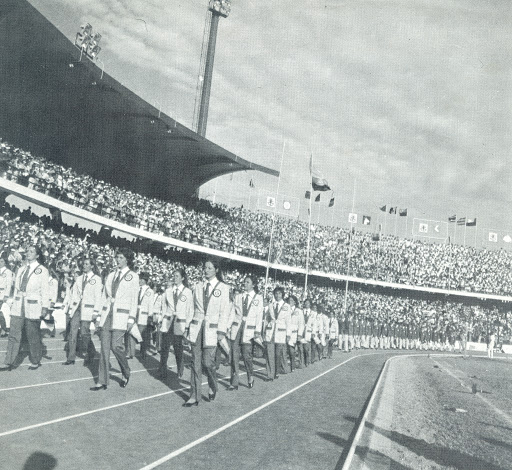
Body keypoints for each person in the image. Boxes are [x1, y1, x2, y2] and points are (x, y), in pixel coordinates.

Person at [183, 258, 230, 407]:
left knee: (207, 363)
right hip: (197, 328)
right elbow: (191, 308)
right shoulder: (197, 286)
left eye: (210, 268)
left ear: (216, 270)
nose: (206, 270)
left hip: (212, 330)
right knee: (195, 362)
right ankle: (194, 396)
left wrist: (222, 330)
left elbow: (225, 311)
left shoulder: (223, 288)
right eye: (205, 267)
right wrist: (187, 327)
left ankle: (213, 384)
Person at [90, 248, 139, 391]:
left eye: (121, 257)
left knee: (116, 347)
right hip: (107, 315)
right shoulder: (111, 275)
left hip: (122, 317)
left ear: (127, 259)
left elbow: (134, 299)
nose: (118, 260)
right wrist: (98, 314)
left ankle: (126, 370)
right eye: (117, 257)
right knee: (104, 349)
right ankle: (102, 381)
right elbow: (103, 296)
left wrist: (131, 318)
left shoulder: (133, 276)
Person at [2, 246, 49, 371]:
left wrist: (45, 307)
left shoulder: (42, 270)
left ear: (37, 255)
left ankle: (35, 360)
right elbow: (16, 288)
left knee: (32, 335)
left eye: (32, 251)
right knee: (13, 333)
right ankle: (9, 361)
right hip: (18, 305)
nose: (28, 253)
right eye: (27, 251)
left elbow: (45, 290)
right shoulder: (21, 269)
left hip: (33, 305)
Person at [64, 257, 102, 366]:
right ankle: (71, 357)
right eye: (83, 264)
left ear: (92, 266)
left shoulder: (97, 279)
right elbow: (74, 295)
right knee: (73, 332)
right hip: (77, 309)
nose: (84, 266)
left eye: (86, 264)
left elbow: (98, 297)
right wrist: (71, 308)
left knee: (84, 333)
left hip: (88, 310)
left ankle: (91, 352)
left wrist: (96, 312)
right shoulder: (79, 278)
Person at [227, 275, 263, 390]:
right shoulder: (238, 296)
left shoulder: (258, 298)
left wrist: (258, 330)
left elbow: (259, 315)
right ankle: (234, 382)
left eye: (248, 282)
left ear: (253, 285)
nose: (245, 284)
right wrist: (227, 326)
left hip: (249, 330)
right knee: (234, 356)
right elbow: (233, 312)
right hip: (237, 328)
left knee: (247, 356)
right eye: (244, 282)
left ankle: (250, 376)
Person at [160, 269, 193, 379]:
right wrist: (163, 318)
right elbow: (164, 306)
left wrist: (187, 325)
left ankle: (180, 368)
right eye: (174, 276)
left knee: (178, 348)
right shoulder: (168, 291)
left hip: (180, 324)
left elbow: (190, 310)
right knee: (164, 347)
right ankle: (162, 369)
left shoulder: (188, 292)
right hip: (168, 322)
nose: (175, 278)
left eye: (177, 276)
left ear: (183, 278)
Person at [263, 287, 290, 381]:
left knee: (278, 355)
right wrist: (263, 331)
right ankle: (270, 375)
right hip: (271, 332)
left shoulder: (287, 306)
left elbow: (288, 321)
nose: (277, 295)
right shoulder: (270, 305)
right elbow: (267, 319)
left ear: (282, 295)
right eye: (276, 293)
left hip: (281, 332)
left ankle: (276, 372)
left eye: (279, 293)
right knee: (269, 354)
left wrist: (288, 335)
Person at [286, 295, 304, 372]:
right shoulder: (285, 309)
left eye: (292, 300)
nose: (290, 302)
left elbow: (301, 324)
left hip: (294, 333)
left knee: (291, 351)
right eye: (289, 300)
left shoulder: (299, 311)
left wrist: (299, 334)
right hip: (285, 332)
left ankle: (292, 365)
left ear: (295, 302)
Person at [0, 254, 14, 337]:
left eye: (2, 261)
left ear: (5, 263)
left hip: (2, 294)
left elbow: (9, 284)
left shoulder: (8, 272)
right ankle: (4, 329)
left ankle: (4, 329)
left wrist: (6, 295)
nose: (0, 263)